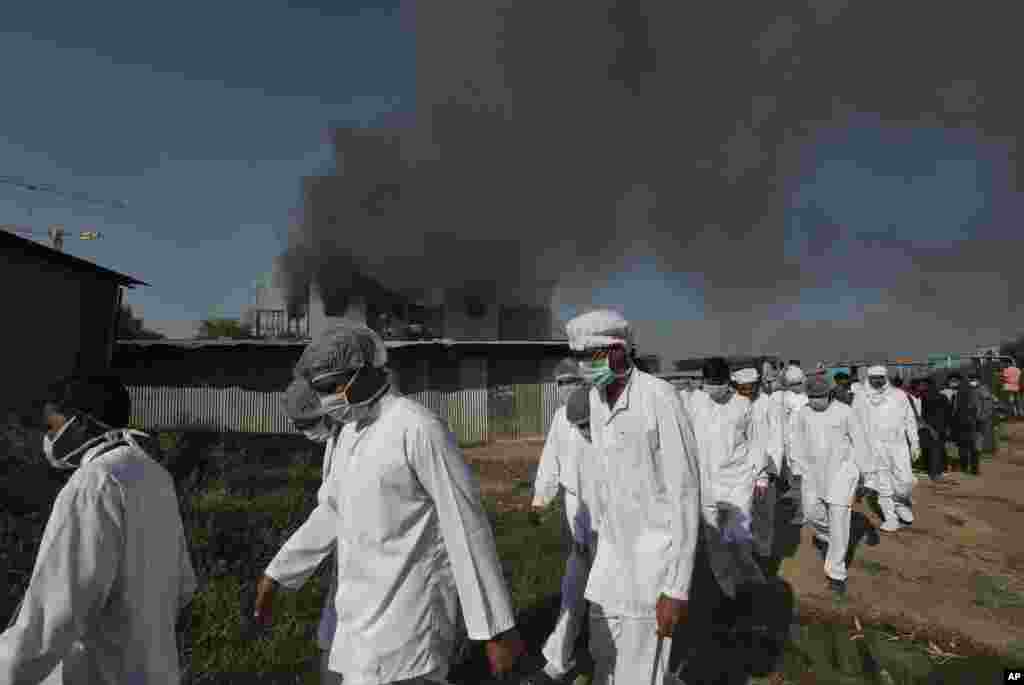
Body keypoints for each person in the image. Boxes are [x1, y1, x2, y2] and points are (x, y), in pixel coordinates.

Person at [254, 324, 525, 684]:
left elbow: (465, 526)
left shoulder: (417, 428)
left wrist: (495, 628)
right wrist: (279, 572)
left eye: (330, 388)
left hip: (410, 620)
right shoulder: (349, 432)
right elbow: (331, 511)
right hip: (358, 617)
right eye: (320, 391)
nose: (326, 401)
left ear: (366, 373)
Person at [0, 375, 197, 684]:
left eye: (52, 427)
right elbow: (183, 587)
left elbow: (57, 608)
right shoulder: (155, 475)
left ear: (80, 424)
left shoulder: (94, 483)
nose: (47, 439)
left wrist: (8, 669)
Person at [564, 309, 700, 685]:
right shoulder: (594, 401)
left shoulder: (660, 399)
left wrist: (676, 587)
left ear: (621, 350)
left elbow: (685, 496)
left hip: (652, 566)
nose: (585, 366)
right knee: (604, 660)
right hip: (610, 562)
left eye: (593, 356)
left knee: (641, 674)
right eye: (579, 357)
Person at [678, 358, 765, 680]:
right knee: (714, 542)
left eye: (718, 383)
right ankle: (730, 594)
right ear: (703, 381)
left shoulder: (744, 405)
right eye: (708, 383)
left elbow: (757, 442)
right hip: (704, 483)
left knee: (738, 539)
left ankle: (751, 581)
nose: (713, 389)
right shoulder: (692, 402)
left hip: (737, 481)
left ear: (727, 381)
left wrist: (761, 477)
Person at [525, 387, 600, 685]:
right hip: (580, 516)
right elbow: (551, 460)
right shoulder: (562, 420)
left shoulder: (616, 431)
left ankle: (603, 659)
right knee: (573, 591)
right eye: (579, 426)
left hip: (615, 528)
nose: (584, 431)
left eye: (587, 425)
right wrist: (540, 499)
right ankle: (558, 660)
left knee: (606, 596)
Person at [791, 376, 873, 596]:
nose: (816, 401)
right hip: (813, 475)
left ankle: (836, 573)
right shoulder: (803, 414)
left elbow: (861, 442)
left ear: (829, 394)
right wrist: (798, 469)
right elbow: (796, 442)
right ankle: (828, 538)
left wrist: (866, 475)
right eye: (812, 397)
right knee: (811, 514)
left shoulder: (845, 412)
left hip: (841, 474)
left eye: (820, 396)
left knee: (839, 519)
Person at [853, 365, 918, 533]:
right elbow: (854, 424)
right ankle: (890, 518)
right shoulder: (861, 397)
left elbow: (909, 420)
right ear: (868, 378)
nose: (877, 380)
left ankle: (899, 502)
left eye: (880, 377)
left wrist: (915, 442)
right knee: (882, 484)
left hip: (898, 445)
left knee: (906, 480)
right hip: (873, 446)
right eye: (873, 377)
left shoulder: (899, 395)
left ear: (885, 377)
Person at [734, 366, 783, 567]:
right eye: (742, 389)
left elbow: (777, 438)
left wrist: (771, 471)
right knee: (738, 514)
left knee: (763, 513)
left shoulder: (768, 404)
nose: (747, 393)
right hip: (737, 470)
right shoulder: (732, 405)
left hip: (763, 470)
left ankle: (763, 553)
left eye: (750, 388)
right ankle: (740, 556)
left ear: (757, 386)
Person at [777, 365, 809, 525]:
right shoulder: (785, 398)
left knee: (811, 481)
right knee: (797, 482)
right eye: (793, 384)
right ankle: (801, 512)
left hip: (810, 446)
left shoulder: (812, 396)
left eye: (799, 383)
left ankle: (809, 512)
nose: (797, 387)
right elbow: (782, 424)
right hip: (792, 447)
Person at [917, 378, 952, 481]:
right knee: (935, 451)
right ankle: (935, 473)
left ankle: (934, 473)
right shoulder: (941, 397)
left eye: (923, 385)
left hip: (931, 428)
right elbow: (948, 414)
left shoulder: (925, 398)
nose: (921, 387)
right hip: (935, 428)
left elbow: (922, 415)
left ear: (929, 386)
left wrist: (931, 428)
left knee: (933, 451)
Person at [970, 373, 997, 454]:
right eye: (971, 379)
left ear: (978, 380)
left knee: (985, 433)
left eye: (974, 379)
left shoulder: (983, 389)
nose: (972, 381)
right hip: (976, 416)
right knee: (978, 433)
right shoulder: (972, 389)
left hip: (983, 415)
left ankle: (986, 449)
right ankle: (979, 448)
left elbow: (987, 403)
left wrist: (985, 414)